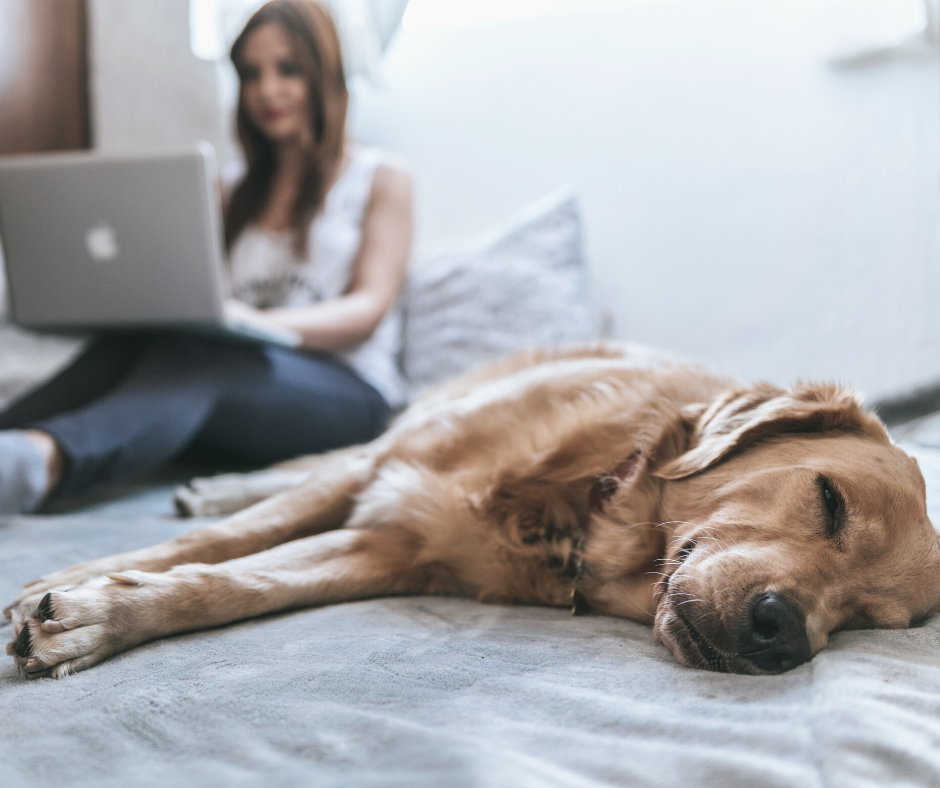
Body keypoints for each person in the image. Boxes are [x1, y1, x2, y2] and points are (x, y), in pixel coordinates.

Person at [0, 0, 412, 514]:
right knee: (142, 345)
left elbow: (368, 310)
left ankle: (42, 461)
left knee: (203, 360)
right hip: (236, 374)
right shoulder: (226, 190)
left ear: (322, 74)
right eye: (251, 74)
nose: (267, 90)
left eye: (288, 70)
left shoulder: (380, 177)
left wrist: (257, 322)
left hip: (347, 393)